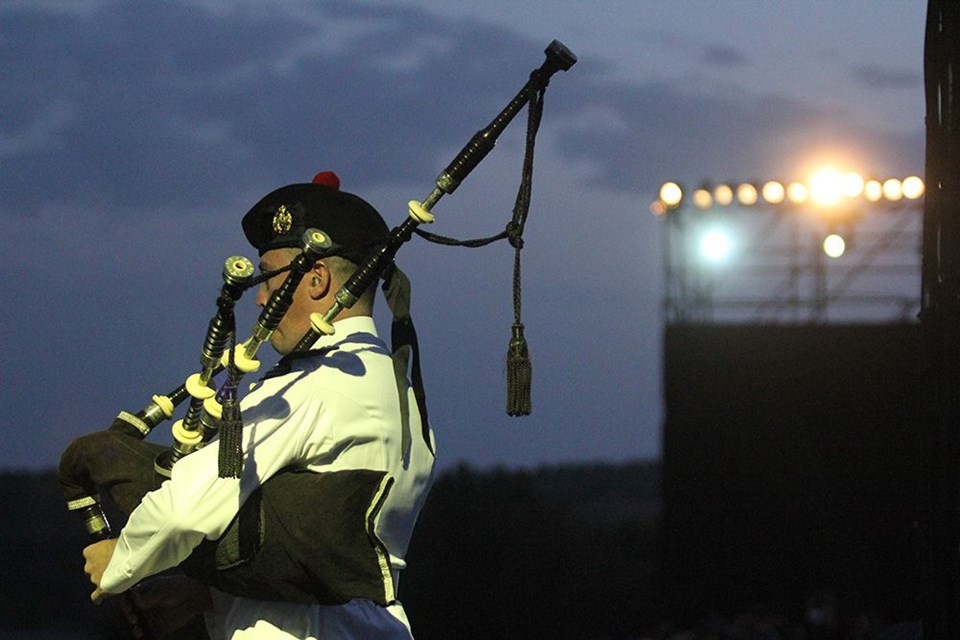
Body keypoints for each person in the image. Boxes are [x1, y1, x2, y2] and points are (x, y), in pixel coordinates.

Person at [82, 173, 437, 638]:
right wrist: (204, 596)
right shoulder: (400, 393)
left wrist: (122, 558)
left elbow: (185, 508)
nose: (260, 298)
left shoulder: (314, 387)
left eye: (269, 277)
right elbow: (320, 566)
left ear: (316, 279)